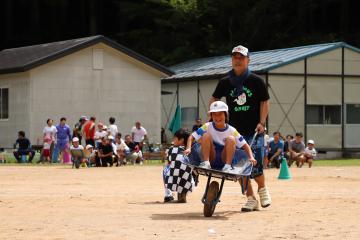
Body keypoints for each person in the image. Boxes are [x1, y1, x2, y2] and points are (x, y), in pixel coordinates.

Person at [210, 45, 271, 211]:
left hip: (254, 130)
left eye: (241, 57)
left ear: (248, 60)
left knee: (255, 163)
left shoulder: (256, 81)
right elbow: (215, 98)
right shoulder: (225, 81)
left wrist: (262, 122)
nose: (238, 60)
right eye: (235, 57)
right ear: (231, 60)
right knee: (238, 165)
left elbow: (265, 101)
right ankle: (251, 198)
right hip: (233, 132)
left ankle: (262, 189)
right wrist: (213, 119)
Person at [185, 101, 256, 173]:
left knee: (231, 139)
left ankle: (227, 167)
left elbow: (245, 145)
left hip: (224, 158)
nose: (217, 117)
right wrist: (188, 148)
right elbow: (192, 136)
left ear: (226, 115)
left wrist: (251, 157)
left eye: (220, 114)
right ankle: (206, 163)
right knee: (206, 135)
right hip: (211, 157)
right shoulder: (207, 126)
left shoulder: (232, 130)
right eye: (214, 114)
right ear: (211, 116)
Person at [163, 128, 192, 203]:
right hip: (189, 179)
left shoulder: (172, 149)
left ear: (181, 140)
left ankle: (168, 194)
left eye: (175, 138)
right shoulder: (190, 149)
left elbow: (169, 162)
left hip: (174, 178)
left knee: (165, 170)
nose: (173, 140)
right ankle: (182, 192)